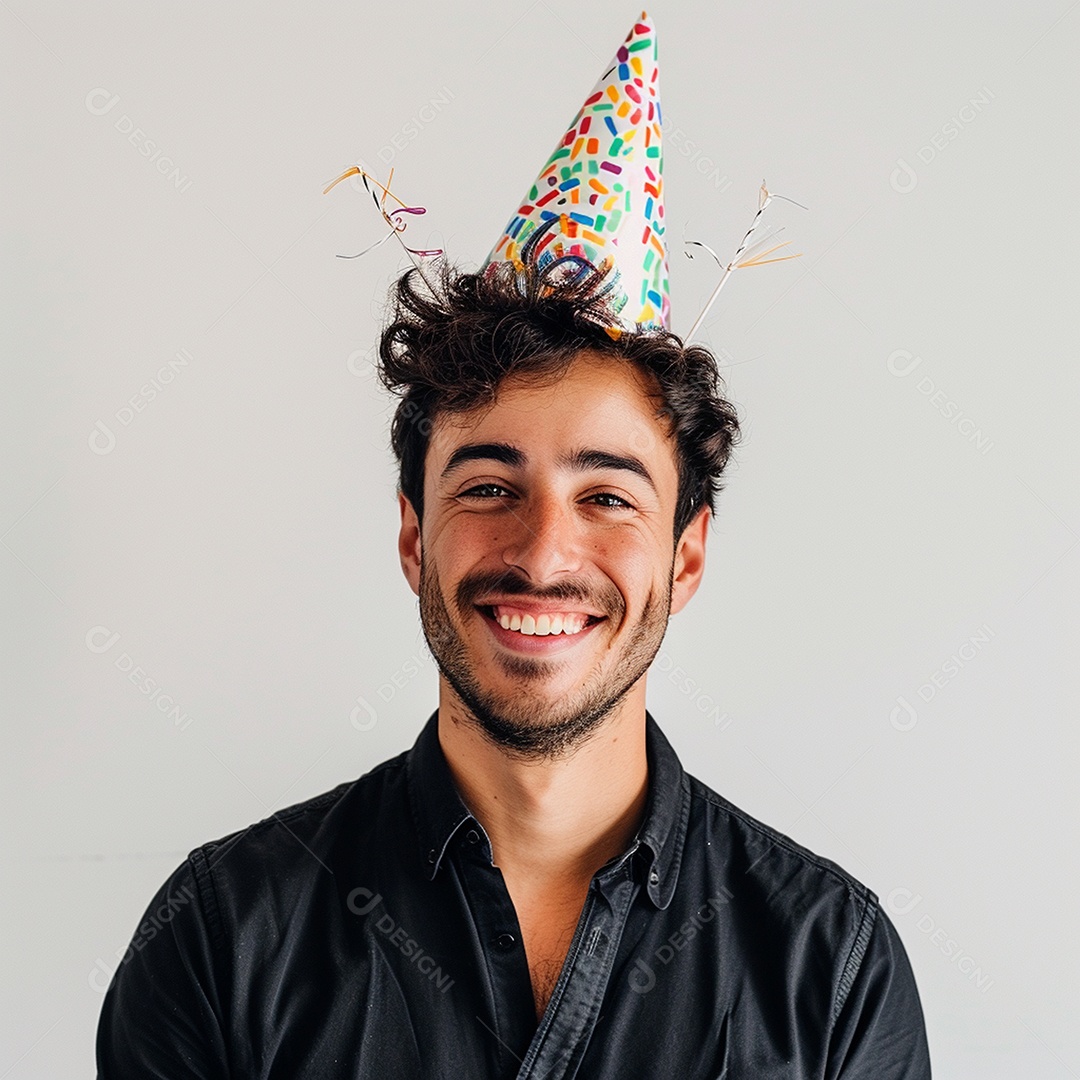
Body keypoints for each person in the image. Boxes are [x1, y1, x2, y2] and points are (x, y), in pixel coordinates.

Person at [97, 13, 930, 1078]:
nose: (542, 553)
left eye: (609, 497)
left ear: (686, 556)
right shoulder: (223, 938)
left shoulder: (829, 967)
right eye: (490, 485)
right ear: (413, 534)